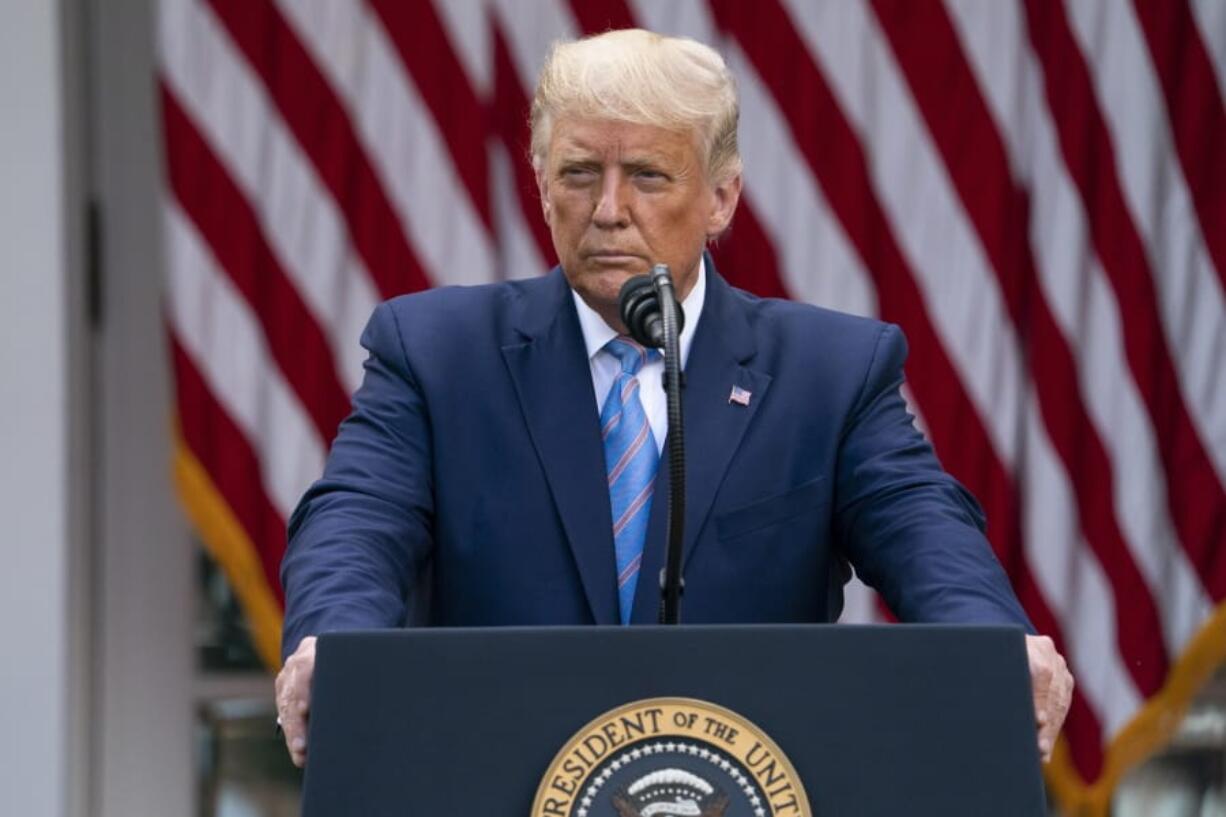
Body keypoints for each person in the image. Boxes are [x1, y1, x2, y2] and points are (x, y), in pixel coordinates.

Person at [275, 28, 1073, 769]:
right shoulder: (438, 352)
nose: (609, 210)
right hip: (495, 773)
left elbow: (924, 528)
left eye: (648, 176)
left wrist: (991, 642)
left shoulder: (830, 372)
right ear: (543, 185)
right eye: (579, 172)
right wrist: (335, 643)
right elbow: (354, 519)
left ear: (722, 198)